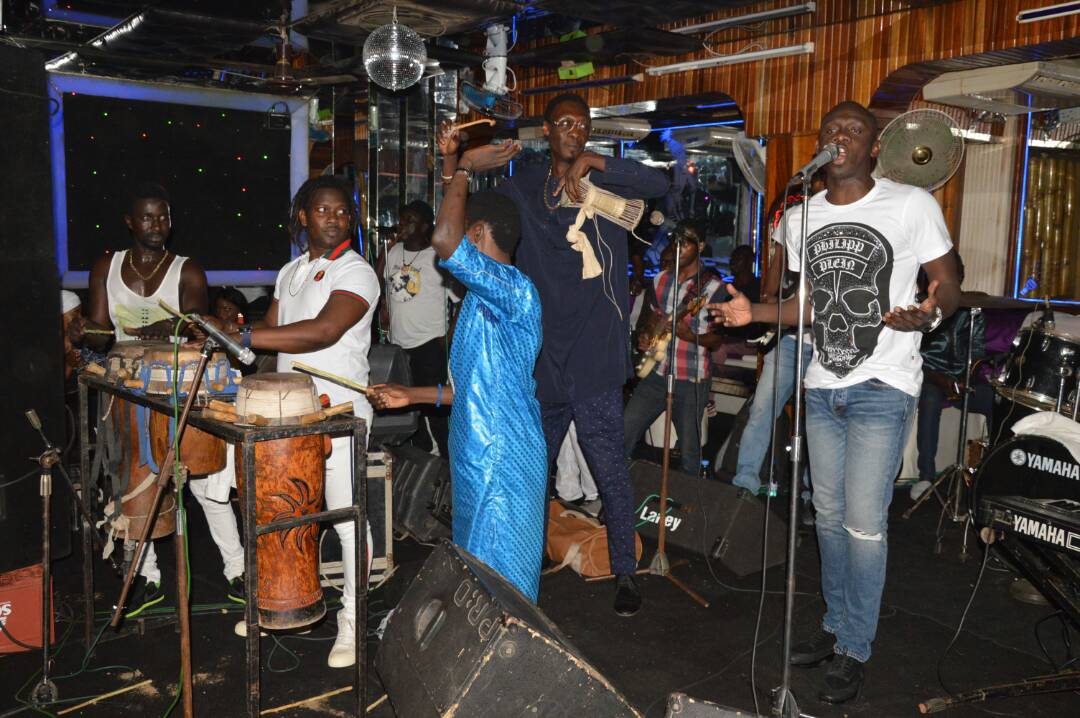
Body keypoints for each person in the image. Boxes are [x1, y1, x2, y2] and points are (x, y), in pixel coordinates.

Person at [711, 101, 960, 703]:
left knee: (864, 524)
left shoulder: (910, 204)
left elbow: (947, 279)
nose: (839, 137)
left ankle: (855, 645)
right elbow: (811, 305)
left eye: (852, 131)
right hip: (823, 385)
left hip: (884, 383)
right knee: (825, 517)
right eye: (830, 131)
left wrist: (930, 312)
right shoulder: (801, 217)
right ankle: (834, 623)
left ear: (874, 147)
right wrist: (756, 312)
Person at [441, 92, 669, 616]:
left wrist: (598, 164)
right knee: (531, 471)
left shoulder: (607, 183)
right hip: (540, 361)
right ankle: (528, 558)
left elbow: (660, 185)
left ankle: (626, 572)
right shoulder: (524, 189)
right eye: (563, 123)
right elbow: (463, 215)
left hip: (594, 358)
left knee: (609, 468)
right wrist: (456, 162)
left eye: (581, 125)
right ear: (546, 131)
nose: (573, 131)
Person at [369, 138, 548, 601]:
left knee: (504, 583)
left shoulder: (514, 289)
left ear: (477, 233)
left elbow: (443, 242)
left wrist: (463, 167)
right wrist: (411, 396)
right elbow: (472, 390)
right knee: (478, 578)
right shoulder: (477, 300)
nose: (452, 239)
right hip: (474, 457)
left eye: (462, 228)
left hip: (504, 459)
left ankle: (512, 669)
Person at [215, 175, 380, 668]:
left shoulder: (358, 271)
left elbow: (320, 333)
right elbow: (272, 332)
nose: (334, 218)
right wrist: (234, 335)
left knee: (347, 518)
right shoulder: (290, 271)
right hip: (291, 413)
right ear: (303, 217)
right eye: (323, 211)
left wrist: (245, 335)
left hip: (340, 412)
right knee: (281, 514)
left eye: (342, 212)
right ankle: (279, 601)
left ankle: (353, 622)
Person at [81, 182, 246, 614]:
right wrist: (89, 333)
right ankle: (145, 576)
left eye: (164, 217)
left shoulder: (187, 270)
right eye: (148, 217)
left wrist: (164, 330)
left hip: (183, 386)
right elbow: (100, 331)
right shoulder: (107, 265)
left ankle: (237, 569)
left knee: (210, 486)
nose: (157, 225)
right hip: (128, 387)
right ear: (130, 222)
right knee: (134, 486)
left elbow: (193, 325)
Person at [624, 221, 724, 475]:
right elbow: (651, 319)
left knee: (690, 451)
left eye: (686, 242)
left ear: (700, 246)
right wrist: (645, 336)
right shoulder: (660, 280)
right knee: (624, 431)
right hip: (657, 372)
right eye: (675, 240)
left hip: (692, 377)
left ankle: (690, 506)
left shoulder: (712, 287)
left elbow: (717, 339)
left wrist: (691, 335)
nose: (678, 247)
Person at [376, 199, 459, 457]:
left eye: (410, 221)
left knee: (434, 407)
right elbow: (377, 281)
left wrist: (449, 336)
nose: (403, 225)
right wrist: (384, 306)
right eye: (402, 220)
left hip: (430, 344)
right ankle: (422, 457)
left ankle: (446, 461)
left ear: (425, 226)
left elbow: (460, 300)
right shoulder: (394, 252)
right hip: (400, 346)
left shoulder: (438, 257)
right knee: (407, 408)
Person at [912, 252, 992, 499]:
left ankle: (993, 473)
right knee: (930, 398)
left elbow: (976, 352)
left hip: (961, 378)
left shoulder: (972, 312)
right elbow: (912, 357)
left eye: (955, 275)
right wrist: (940, 380)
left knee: (994, 399)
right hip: (928, 377)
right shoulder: (918, 307)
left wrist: (964, 379)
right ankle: (926, 476)